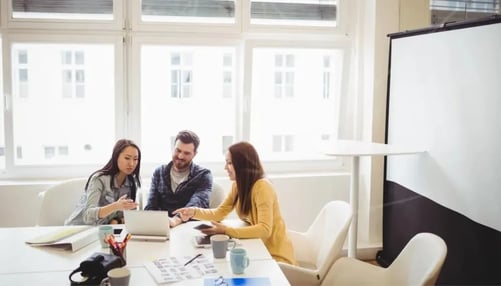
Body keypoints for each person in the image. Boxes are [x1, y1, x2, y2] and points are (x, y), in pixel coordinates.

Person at [173, 141, 297, 265]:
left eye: (230, 163)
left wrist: (226, 230)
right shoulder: (238, 185)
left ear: (242, 165)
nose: (225, 168)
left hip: (276, 257)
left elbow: (265, 229)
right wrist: (193, 212)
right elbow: (220, 213)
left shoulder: (262, 187)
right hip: (259, 250)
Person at [145, 130, 213, 227]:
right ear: (173, 148)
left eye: (186, 153)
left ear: (195, 154)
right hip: (163, 226)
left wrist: (176, 219)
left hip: (190, 228)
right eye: (178, 150)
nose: (180, 156)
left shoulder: (204, 175)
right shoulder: (159, 172)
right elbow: (151, 206)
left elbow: (198, 202)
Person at [65, 139, 141, 225]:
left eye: (135, 159)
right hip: (78, 229)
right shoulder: (99, 179)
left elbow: (126, 217)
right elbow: (88, 216)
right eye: (127, 158)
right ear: (116, 157)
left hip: (102, 229)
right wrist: (116, 206)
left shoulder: (131, 183)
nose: (131, 163)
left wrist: (117, 220)